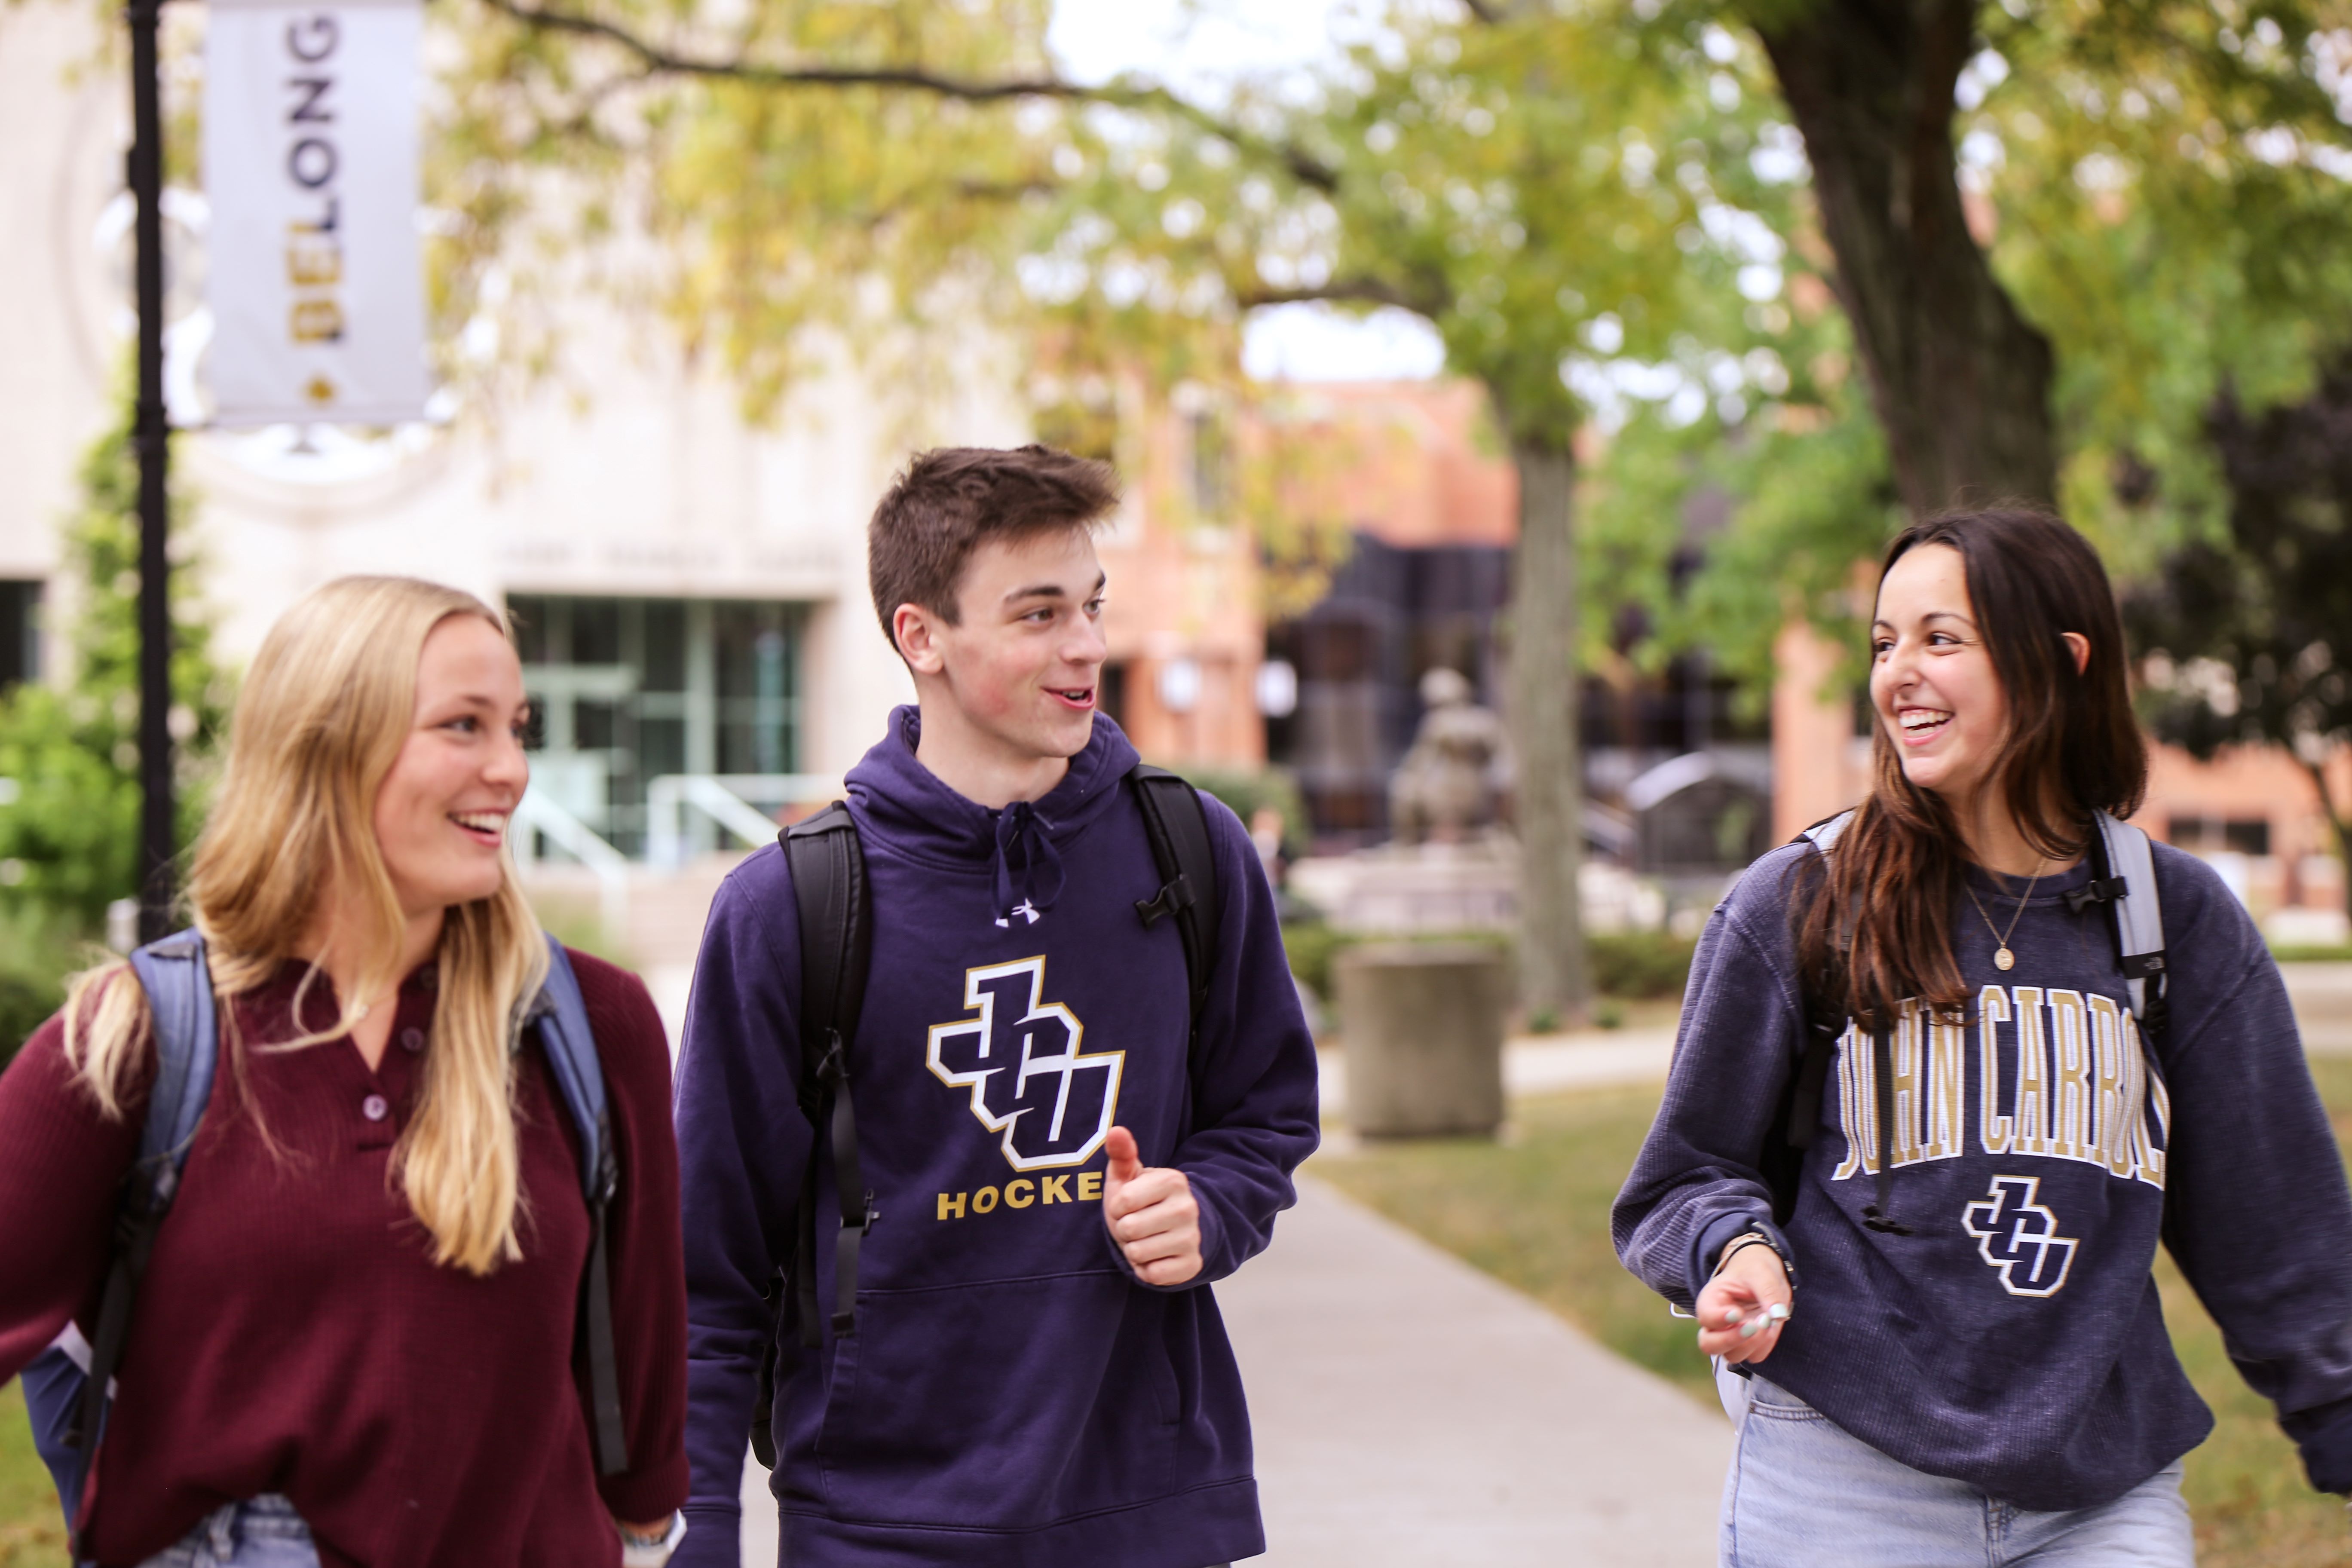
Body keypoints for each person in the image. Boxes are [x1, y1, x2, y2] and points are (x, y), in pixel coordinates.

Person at [1614, 508, 2352, 1565]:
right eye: (1883, 643)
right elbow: (1682, 1174)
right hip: (1846, 1481)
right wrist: (1733, 1249)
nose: (1897, 674)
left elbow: (2278, 1231)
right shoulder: (1803, 901)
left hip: (2103, 1494)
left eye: (1940, 639)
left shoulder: (2172, 917)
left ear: (2061, 663)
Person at [674, 445, 1320, 1567]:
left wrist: (1211, 1204)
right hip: (881, 1526)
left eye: (1091, 607)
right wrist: (700, 1531)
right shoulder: (789, 907)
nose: (1085, 648)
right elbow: (707, 1274)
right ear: (921, 636)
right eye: (1037, 615)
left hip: (1152, 1510)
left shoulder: (1195, 852)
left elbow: (1267, 1114)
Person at [0, 577, 689, 1566]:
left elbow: (644, 1404)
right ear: (327, 748)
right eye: (463, 726)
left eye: (517, 728)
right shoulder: (136, 1037)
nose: (510, 769)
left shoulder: (591, 1023)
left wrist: (646, 1520)